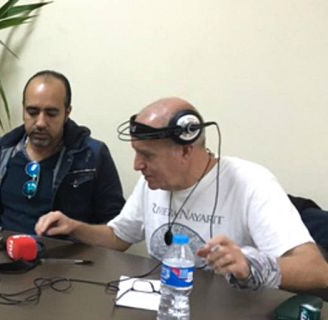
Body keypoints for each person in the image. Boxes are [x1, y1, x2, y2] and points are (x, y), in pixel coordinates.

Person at [35, 97, 328, 291]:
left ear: (187, 148)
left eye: (147, 155)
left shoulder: (251, 183)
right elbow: (118, 237)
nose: (138, 166)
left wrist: (254, 265)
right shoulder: (155, 182)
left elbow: (316, 270)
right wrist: (75, 227)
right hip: (165, 313)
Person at [0, 70, 125, 234]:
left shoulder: (92, 156)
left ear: (67, 113)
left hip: (64, 258)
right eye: (32, 112)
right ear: (23, 110)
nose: (40, 122)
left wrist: (76, 229)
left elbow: (117, 230)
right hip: (0, 254)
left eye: (51, 114)